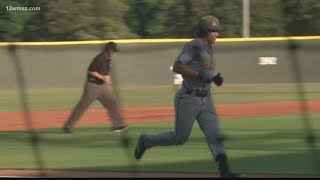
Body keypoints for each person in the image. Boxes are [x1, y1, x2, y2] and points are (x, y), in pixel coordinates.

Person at [134, 16, 237, 177]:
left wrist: (213, 78)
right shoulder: (194, 45)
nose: (218, 34)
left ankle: (225, 172)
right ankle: (146, 141)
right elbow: (177, 66)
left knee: (214, 134)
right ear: (205, 32)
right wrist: (200, 75)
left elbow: (204, 73)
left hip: (206, 99)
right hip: (189, 99)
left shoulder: (210, 48)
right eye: (214, 31)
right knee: (179, 138)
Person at [62, 42, 127, 133]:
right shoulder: (99, 58)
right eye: (113, 51)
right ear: (108, 50)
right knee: (82, 106)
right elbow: (91, 71)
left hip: (102, 87)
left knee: (112, 103)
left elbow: (104, 72)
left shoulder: (108, 59)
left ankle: (118, 126)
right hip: (92, 87)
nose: (114, 53)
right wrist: (103, 77)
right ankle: (67, 127)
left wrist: (107, 78)